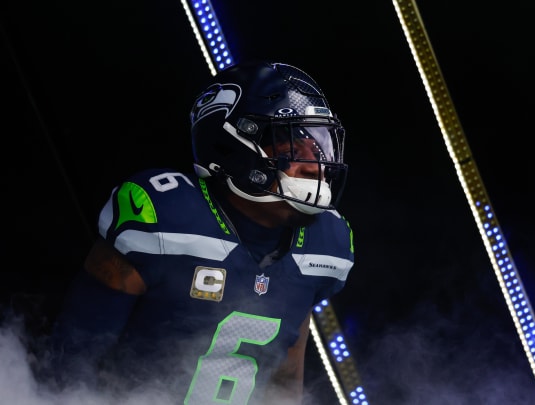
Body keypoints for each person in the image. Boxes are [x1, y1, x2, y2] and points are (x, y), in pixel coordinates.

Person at [48, 60, 355, 404]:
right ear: (231, 147)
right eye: (291, 150)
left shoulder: (327, 244)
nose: (315, 166)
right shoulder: (165, 214)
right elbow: (72, 361)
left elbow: (284, 380)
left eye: (319, 148)